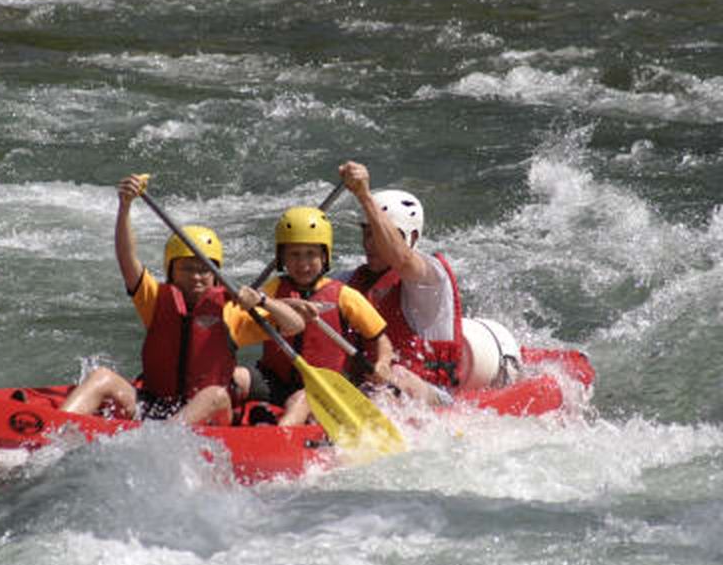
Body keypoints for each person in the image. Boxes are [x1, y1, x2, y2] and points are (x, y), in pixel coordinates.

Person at [60, 174, 305, 426]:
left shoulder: (232, 312)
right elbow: (126, 257)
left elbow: (295, 325)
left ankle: (163, 441)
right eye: (187, 269)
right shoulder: (154, 300)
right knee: (101, 376)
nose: (197, 277)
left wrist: (262, 301)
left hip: (208, 416)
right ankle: (53, 429)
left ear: (216, 274)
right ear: (171, 271)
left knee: (216, 394)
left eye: (205, 270)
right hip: (154, 403)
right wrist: (125, 207)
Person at [232, 206, 394, 425]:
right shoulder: (272, 289)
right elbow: (249, 317)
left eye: (311, 254)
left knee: (301, 399)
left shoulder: (344, 296)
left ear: (324, 256)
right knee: (236, 377)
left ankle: (279, 439)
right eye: (294, 254)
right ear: (282, 257)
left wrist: (383, 363)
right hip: (273, 379)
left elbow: (381, 338)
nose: (303, 263)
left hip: (322, 388)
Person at [336, 161, 466, 406]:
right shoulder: (348, 281)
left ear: (412, 237)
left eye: (381, 234)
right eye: (367, 233)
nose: (370, 244)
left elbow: (403, 260)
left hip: (433, 395)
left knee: (397, 375)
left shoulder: (431, 277)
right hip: (368, 390)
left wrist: (363, 196)